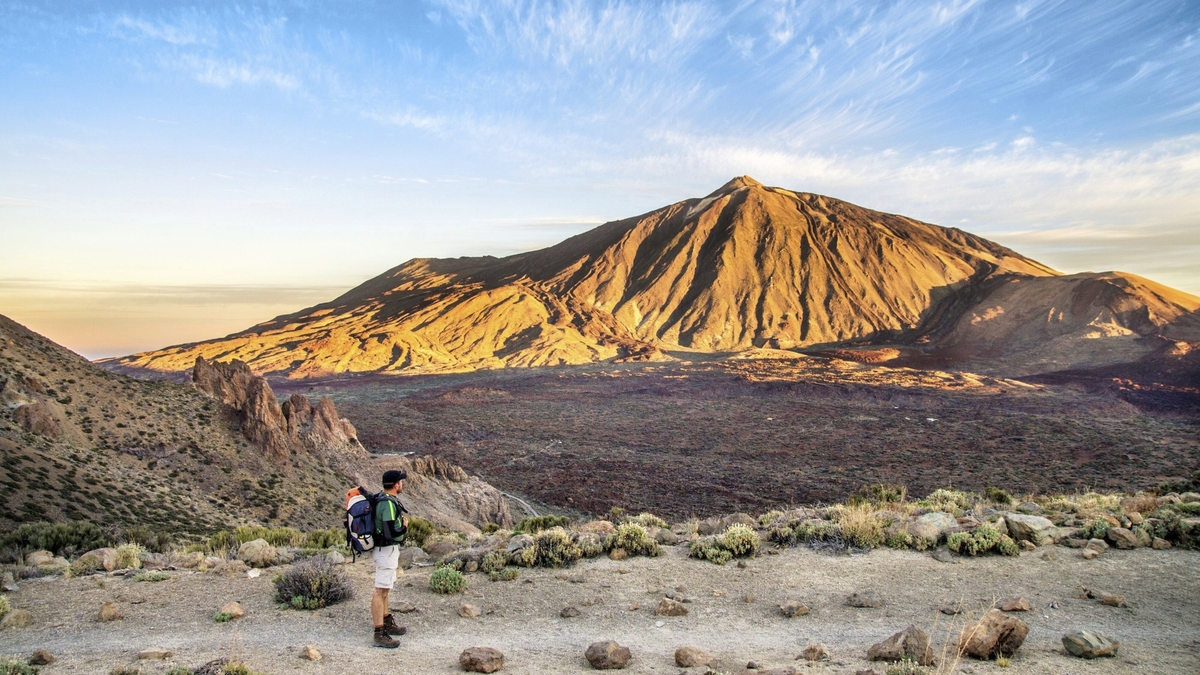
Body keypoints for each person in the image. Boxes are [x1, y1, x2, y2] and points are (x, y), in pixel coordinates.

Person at [372, 469, 410, 648]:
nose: (402, 484)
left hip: (387, 550)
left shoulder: (384, 499)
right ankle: (379, 632)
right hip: (385, 550)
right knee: (380, 590)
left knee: (385, 589)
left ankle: (386, 620)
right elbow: (389, 532)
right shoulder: (387, 504)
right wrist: (404, 528)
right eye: (401, 482)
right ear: (396, 485)